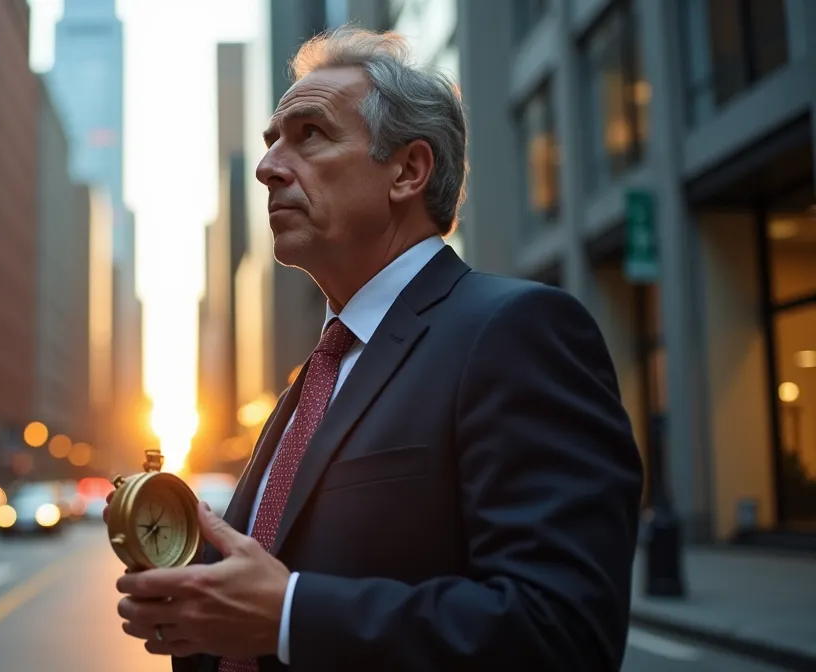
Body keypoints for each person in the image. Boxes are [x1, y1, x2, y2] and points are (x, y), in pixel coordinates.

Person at [112, 27, 643, 671]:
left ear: (408, 170)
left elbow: (564, 633)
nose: (267, 167)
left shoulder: (517, 330)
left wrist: (288, 616)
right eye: (272, 142)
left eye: (310, 134)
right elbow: (284, 568)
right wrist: (188, 578)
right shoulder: (317, 374)